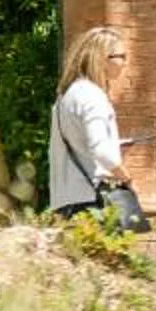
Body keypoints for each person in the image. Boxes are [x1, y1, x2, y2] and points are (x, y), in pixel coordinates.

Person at [49, 27, 130, 218]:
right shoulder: (93, 96)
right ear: (102, 58)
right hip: (93, 199)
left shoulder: (66, 96)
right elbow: (101, 150)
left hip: (65, 199)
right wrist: (127, 178)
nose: (125, 63)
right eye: (121, 56)